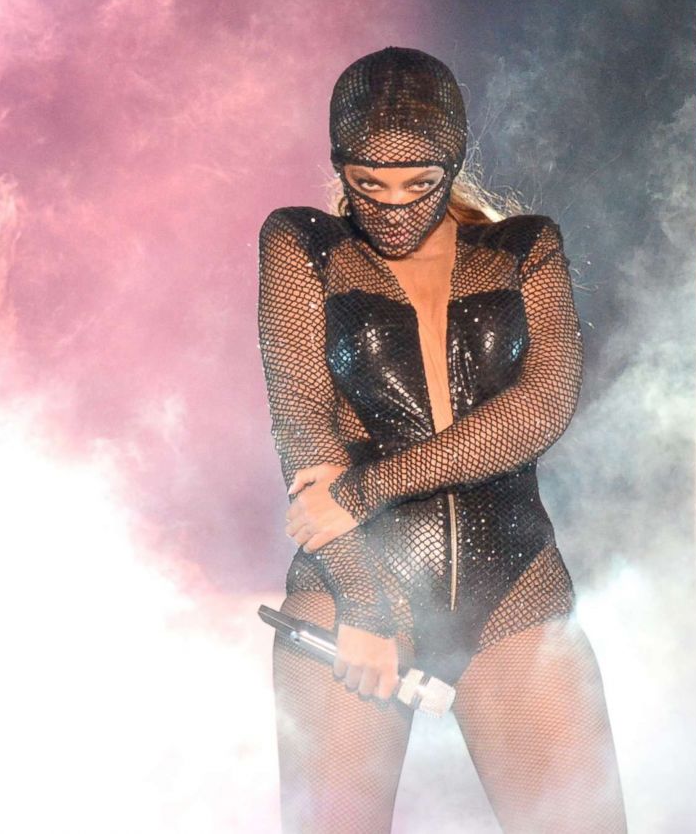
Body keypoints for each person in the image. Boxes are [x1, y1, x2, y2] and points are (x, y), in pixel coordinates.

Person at [257, 47, 626, 831]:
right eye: (368, 184)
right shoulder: (304, 245)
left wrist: (364, 492)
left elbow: (541, 409)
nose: (392, 205)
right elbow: (303, 430)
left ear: (452, 164)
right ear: (341, 169)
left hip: (515, 594)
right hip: (350, 590)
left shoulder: (523, 248)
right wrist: (364, 604)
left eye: (418, 184)